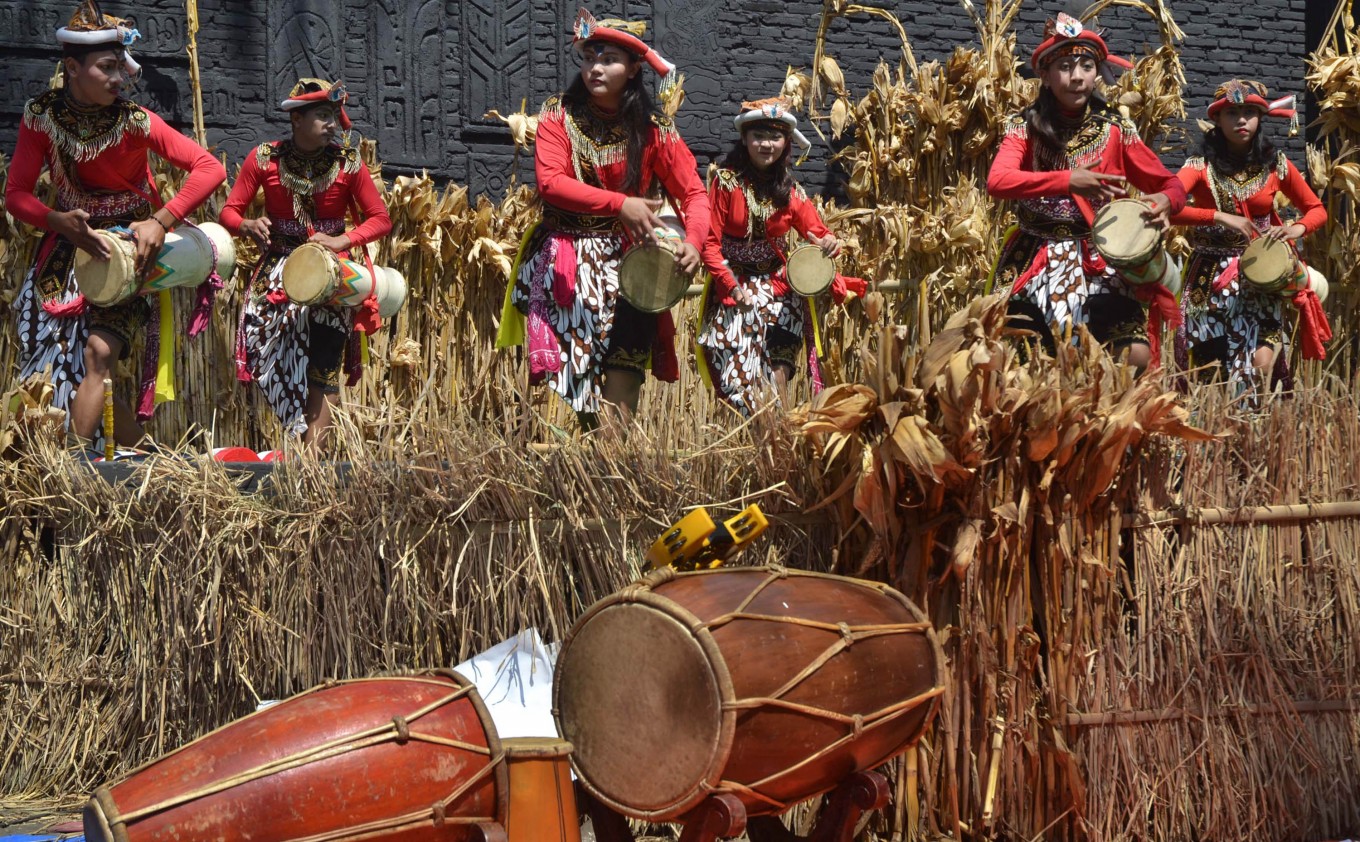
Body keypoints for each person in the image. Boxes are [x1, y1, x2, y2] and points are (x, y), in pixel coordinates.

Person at [4, 0, 225, 447]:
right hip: (64, 253)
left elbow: (209, 168)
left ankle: (66, 478)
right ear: (72, 67)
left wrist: (160, 221)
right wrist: (58, 221)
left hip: (127, 249)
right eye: (106, 67)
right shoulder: (41, 116)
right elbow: (16, 196)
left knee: (97, 354)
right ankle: (156, 459)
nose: (119, 78)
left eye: (119, 67)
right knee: (60, 372)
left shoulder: (135, 121)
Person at [497, 8, 709, 431]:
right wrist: (620, 204)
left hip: (636, 264)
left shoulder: (655, 129)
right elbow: (551, 183)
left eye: (608, 59)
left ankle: (613, 467)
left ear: (633, 69)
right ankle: (593, 464)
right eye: (589, 57)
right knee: (577, 377)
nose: (595, 67)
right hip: (569, 261)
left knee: (624, 368)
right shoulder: (558, 114)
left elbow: (694, 194)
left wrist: (695, 241)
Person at [986, 5, 1186, 368]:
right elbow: (997, 181)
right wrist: (1068, 180)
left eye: (1086, 66)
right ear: (1045, 75)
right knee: (1018, 364)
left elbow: (1171, 184)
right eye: (1064, 67)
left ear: (1096, 74)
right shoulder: (1024, 128)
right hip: (1035, 257)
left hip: (1100, 258)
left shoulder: (1116, 130)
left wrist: (1164, 200)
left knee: (1135, 356)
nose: (1076, 77)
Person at [220, 78, 392, 447]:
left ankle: (310, 468)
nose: (333, 124)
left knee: (324, 366)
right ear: (296, 120)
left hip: (332, 274)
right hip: (278, 270)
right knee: (263, 352)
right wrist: (247, 224)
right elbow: (229, 212)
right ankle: (306, 453)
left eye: (335, 115)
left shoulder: (348, 162)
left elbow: (381, 218)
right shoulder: (264, 157)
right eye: (323, 115)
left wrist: (342, 240)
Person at [698, 97, 865, 414]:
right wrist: (732, 286)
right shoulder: (725, 183)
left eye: (774, 137)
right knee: (740, 387)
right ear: (745, 139)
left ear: (785, 142)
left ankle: (780, 446)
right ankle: (761, 446)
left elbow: (817, 229)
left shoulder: (790, 190)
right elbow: (709, 242)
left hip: (780, 290)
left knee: (777, 377)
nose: (766, 144)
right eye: (758, 136)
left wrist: (829, 242)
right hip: (735, 289)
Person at [1172, 80, 1329, 389]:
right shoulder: (1199, 165)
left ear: (1260, 116)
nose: (1241, 120)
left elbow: (1317, 209)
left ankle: (1256, 431)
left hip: (1261, 275)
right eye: (1231, 113)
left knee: (1261, 365)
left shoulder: (1275, 164)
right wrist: (1217, 216)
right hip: (1209, 276)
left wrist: (1293, 229)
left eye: (1248, 112)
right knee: (1211, 370)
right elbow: (1169, 207)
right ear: (1217, 119)